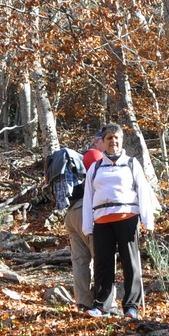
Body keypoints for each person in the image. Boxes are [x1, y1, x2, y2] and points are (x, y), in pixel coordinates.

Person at [82, 124, 157, 320]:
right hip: (102, 222)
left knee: (131, 263)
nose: (113, 141)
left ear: (121, 141)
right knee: (103, 264)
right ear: (103, 142)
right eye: (109, 138)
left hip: (127, 219)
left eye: (116, 138)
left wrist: (148, 221)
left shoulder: (132, 164)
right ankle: (102, 305)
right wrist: (87, 226)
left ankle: (131, 307)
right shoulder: (95, 168)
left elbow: (143, 191)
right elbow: (88, 197)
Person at [61, 130, 107, 310]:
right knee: (102, 257)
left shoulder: (79, 160)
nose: (108, 144)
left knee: (80, 260)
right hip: (86, 211)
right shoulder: (95, 156)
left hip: (71, 213)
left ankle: (83, 302)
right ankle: (104, 303)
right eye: (105, 140)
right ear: (98, 142)